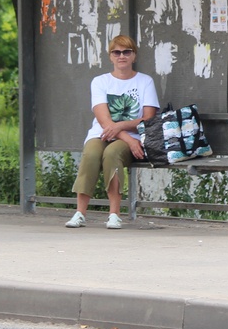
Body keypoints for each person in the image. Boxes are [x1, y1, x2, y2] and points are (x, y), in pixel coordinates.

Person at [66, 35, 159, 230]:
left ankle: (114, 214)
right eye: (116, 52)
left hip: (133, 137)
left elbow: (149, 118)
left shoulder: (145, 82)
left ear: (134, 55)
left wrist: (123, 130)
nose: (121, 56)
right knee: (91, 154)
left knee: (111, 154)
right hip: (102, 133)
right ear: (110, 56)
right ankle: (80, 213)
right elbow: (104, 120)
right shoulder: (100, 82)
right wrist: (123, 133)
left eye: (127, 52)